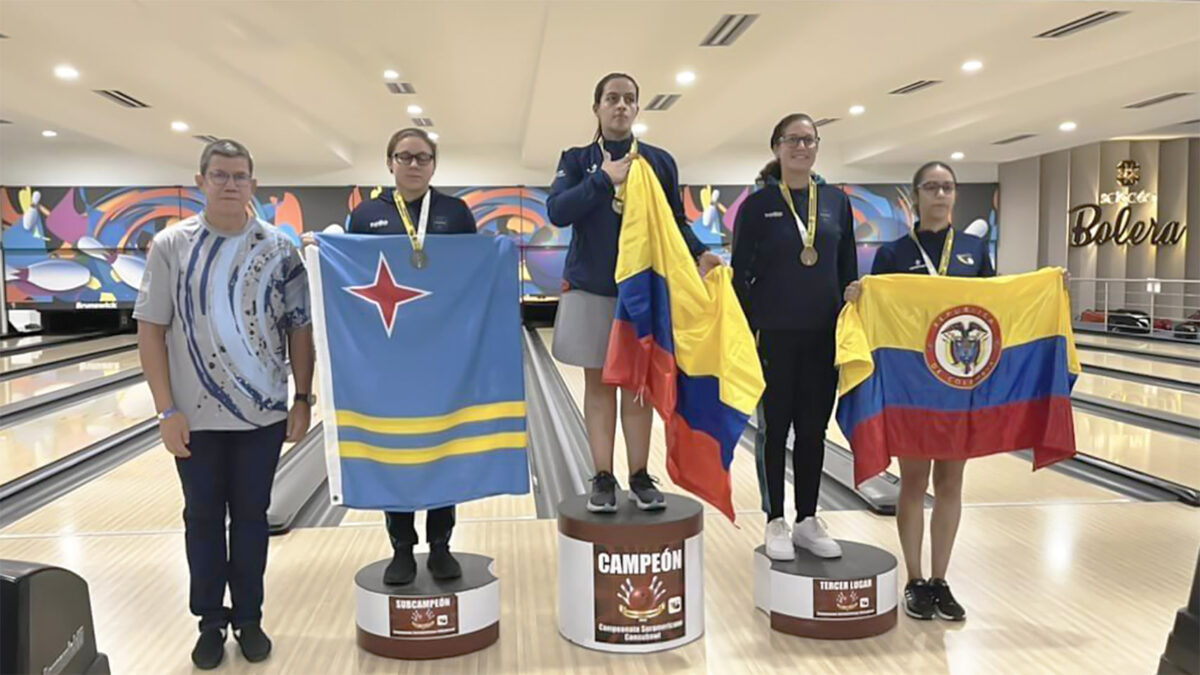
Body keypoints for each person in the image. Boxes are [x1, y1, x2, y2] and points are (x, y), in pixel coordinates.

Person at [135, 139, 314, 669]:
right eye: (220, 175)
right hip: (195, 418)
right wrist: (166, 411)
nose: (230, 183)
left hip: (262, 415)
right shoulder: (171, 246)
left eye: (240, 176)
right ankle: (210, 621)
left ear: (253, 184)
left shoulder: (280, 249)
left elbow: (300, 330)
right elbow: (151, 331)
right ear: (201, 181)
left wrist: (301, 398)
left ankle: (251, 617)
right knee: (203, 519)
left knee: (253, 519)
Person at [547, 72, 723, 513]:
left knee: (640, 387)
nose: (620, 105)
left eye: (629, 99)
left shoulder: (660, 162)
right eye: (612, 98)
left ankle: (639, 475)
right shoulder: (576, 159)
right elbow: (557, 211)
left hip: (644, 288)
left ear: (637, 109)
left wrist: (701, 253)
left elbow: (676, 222)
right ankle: (603, 476)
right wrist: (601, 179)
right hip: (591, 287)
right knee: (599, 386)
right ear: (597, 108)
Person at [845, 160, 993, 622]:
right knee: (914, 482)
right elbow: (881, 312)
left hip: (957, 385)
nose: (940, 194)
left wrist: (1050, 290)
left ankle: (941, 580)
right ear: (917, 195)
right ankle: (914, 581)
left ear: (955, 196)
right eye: (931, 187)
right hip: (912, 388)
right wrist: (859, 296)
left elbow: (995, 308)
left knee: (951, 483)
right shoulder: (893, 253)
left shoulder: (973, 250)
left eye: (947, 187)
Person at [345, 127, 476, 586]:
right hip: (388, 356)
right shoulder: (364, 216)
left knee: (442, 446)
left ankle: (441, 545)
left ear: (434, 165)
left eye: (423, 158)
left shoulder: (456, 213)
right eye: (405, 157)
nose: (414, 165)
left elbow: (474, 275)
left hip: (442, 353)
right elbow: (349, 279)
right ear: (390, 163)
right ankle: (401, 546)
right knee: (394, 449)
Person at [730, 113, 858, 561]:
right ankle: (775, 520)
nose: (802, 147)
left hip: (822, 336)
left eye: (809, 140)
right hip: (775, 337)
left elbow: (847, 269)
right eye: (793, 140)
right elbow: (739, 276)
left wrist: (852, 309)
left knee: (812, 430)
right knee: (774, 429)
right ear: (777, 147)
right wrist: (751, 332)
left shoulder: (836, 203)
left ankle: (807, 518)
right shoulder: (757, 206)